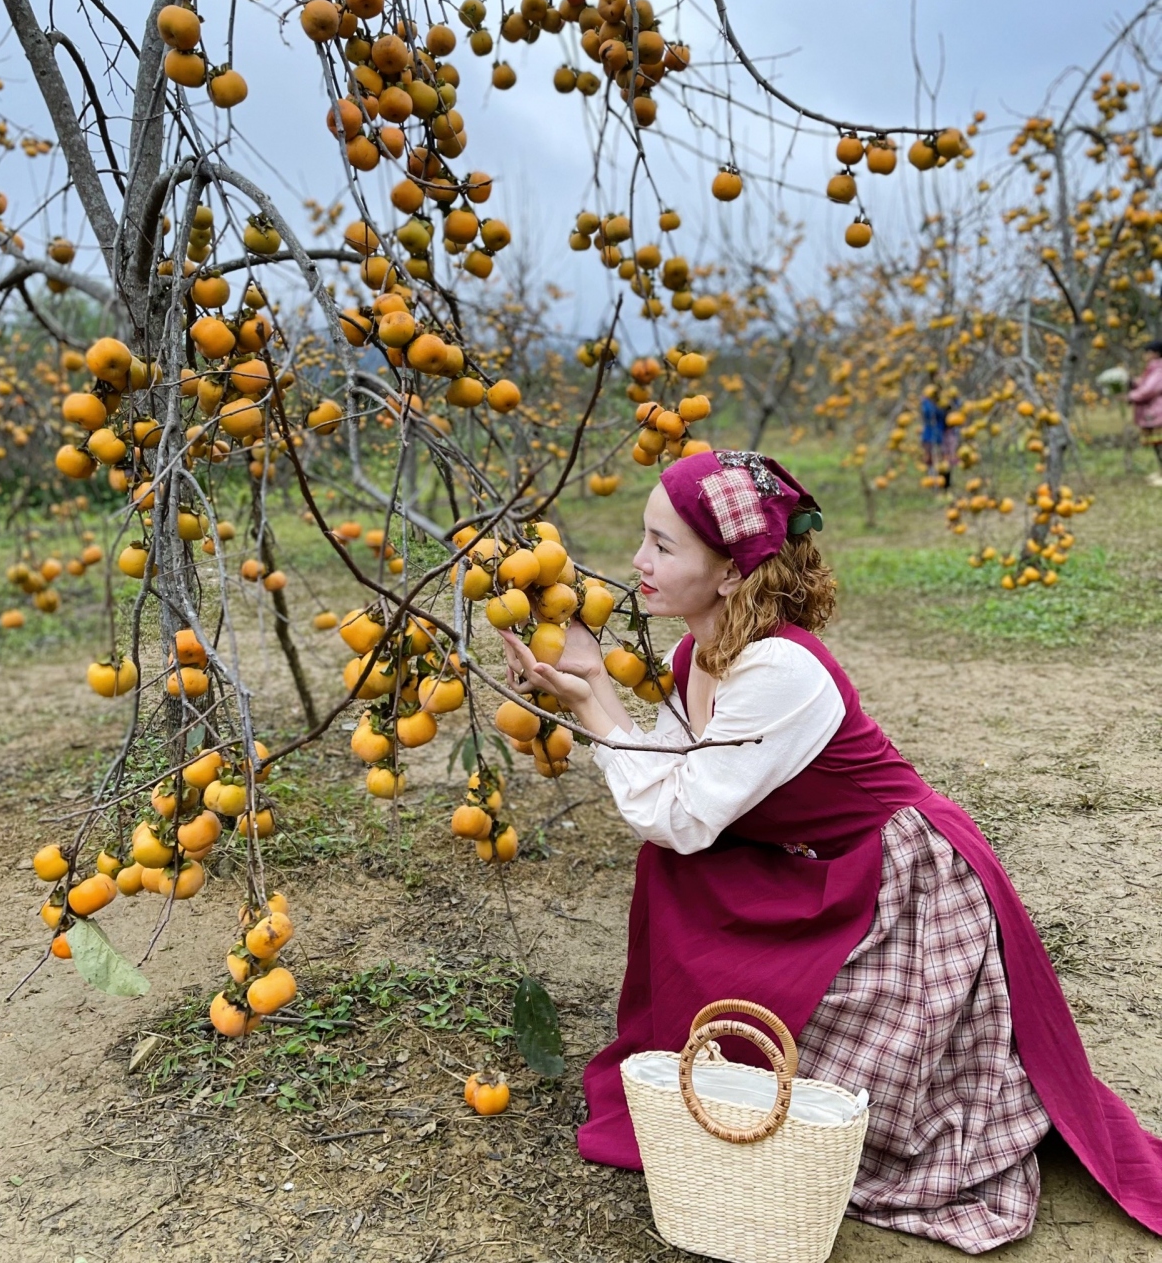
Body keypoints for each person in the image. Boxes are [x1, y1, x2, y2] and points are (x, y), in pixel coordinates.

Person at [498, 449, 1162, 1255]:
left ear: (732, 573)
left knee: (864, 1110)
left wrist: (596, 701)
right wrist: (590, 679)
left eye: (663, 546)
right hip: (814, 862)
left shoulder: (782, 669)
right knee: (681, 879)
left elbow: (678, 815)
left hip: (900, 884)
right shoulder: (694, 656)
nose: (636, 560)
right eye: (645, 537)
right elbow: (674, 780)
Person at [1128, 337, 1162, 483]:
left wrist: (1130, 396)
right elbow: (1145, 384)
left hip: (1158, 411)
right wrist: (1133, 383)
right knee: (1157, 444)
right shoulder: (1152, 368)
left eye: (1147, 352)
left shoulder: (1159, 368)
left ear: (1156, 353)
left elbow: (1149, 390)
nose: (1145, 356)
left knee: (1160, 444)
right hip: (1154, 413)